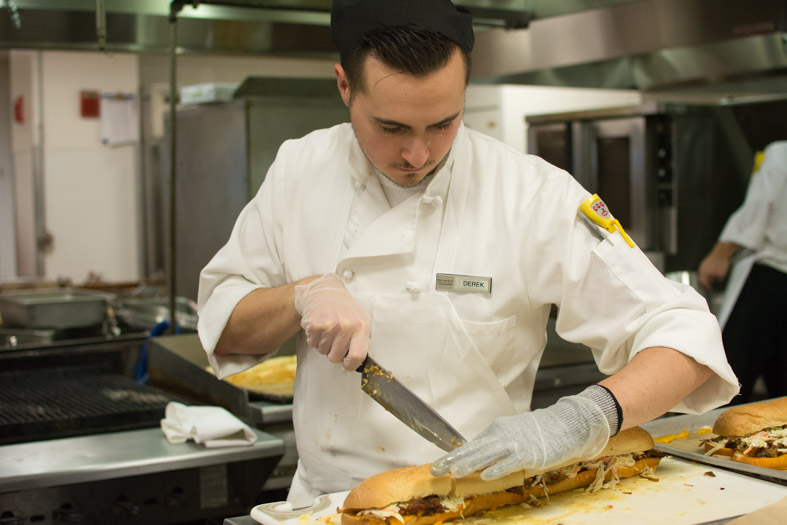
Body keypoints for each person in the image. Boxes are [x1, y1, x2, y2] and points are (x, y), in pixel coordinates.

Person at [198, 0, 738, 506]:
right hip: (327, 505)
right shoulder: (299, 169)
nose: (417, 153)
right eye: (391, 127)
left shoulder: (530, 194)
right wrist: (302, 295)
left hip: (477, 502)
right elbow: (223, 325)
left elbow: (683, 333)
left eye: (443, 123)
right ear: (344, 86)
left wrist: (584, 417)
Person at [698, 141, 787, 404]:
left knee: (725, 386)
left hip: (768, 280)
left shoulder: (779, 153)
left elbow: (759, 208)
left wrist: (720, 254)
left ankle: (710, 442)